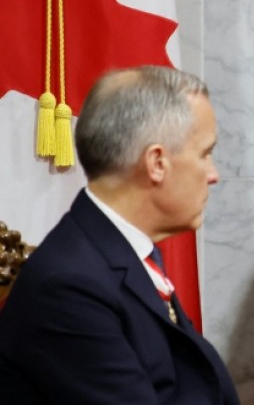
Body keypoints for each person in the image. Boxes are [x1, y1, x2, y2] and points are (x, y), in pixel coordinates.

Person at [0, 66, 240, 405]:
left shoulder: (122, 254)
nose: (213, 175)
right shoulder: (69, 286)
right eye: (204, 154)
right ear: (157, 162)